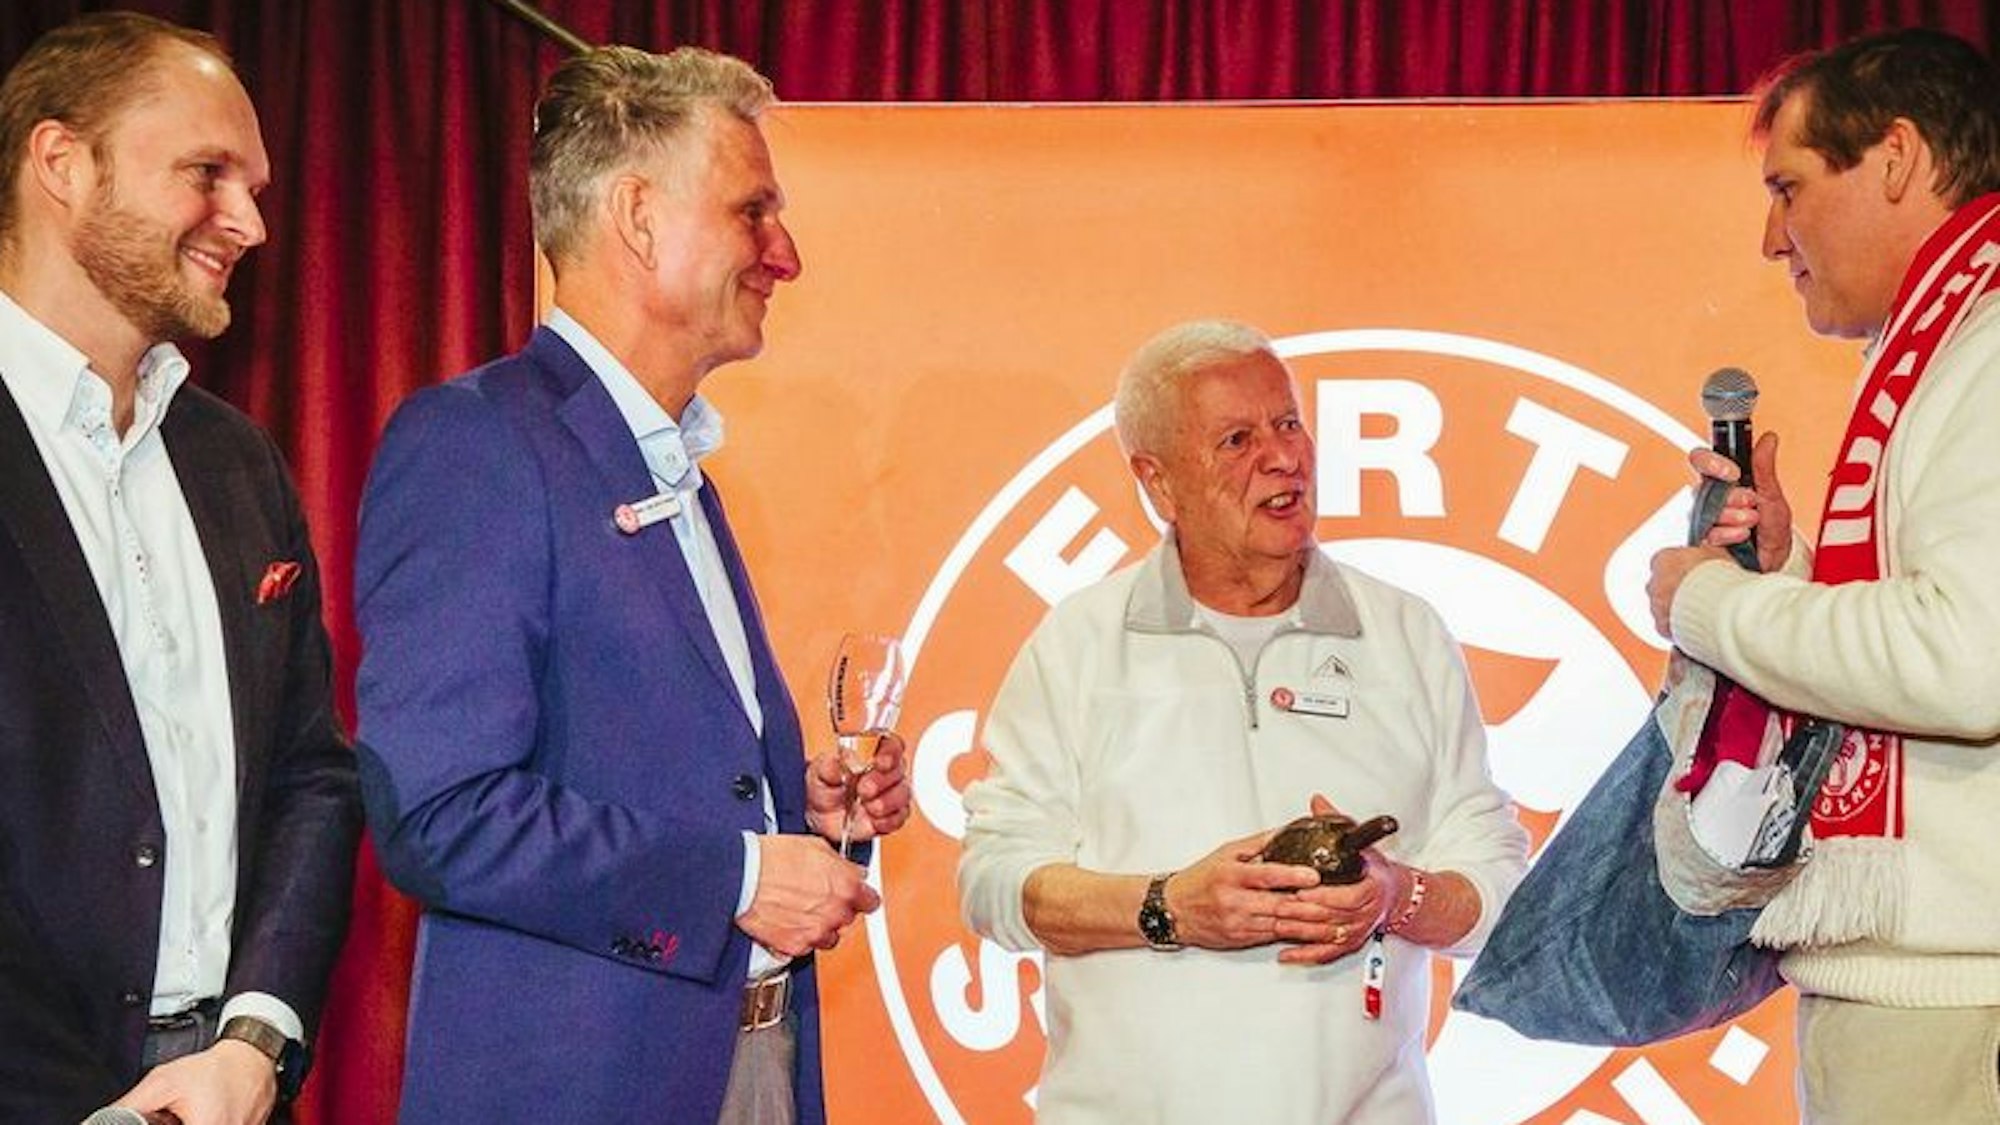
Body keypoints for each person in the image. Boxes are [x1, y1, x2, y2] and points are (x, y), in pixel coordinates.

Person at [354, 44, 912, 1124]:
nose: (783, 255)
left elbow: (634, 768)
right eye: (753, 213)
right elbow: (439, 811)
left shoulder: (670, 465)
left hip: (747, 1067)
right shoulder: (476, 446)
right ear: (640, 217)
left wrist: (805, 807)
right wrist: (742, 880)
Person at [958, 320, 1527, 1123]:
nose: (1283, 455)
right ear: (1158, 483)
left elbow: (1498, 883)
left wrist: (1396, 894)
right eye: (1235, 439)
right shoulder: (1077, 644)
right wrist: (1171, 907)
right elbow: (994, 883)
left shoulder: (1406, 634)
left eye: (1288, 423)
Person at [0, 12, 360, 1124]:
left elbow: (313, 774)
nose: (248, 221)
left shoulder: (234, 457)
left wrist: (253, 1040)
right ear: (61, 163)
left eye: (253, 185)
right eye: (207, 173)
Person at [1646, 28, 2000, 1125]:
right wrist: (1786, 569)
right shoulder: (1948, 345)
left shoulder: (1983, 345)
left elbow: (1962, 661)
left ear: (1892, 160)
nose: (1769, 236)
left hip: (1953, 999)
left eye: (1787, 188)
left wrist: (1710, 605)